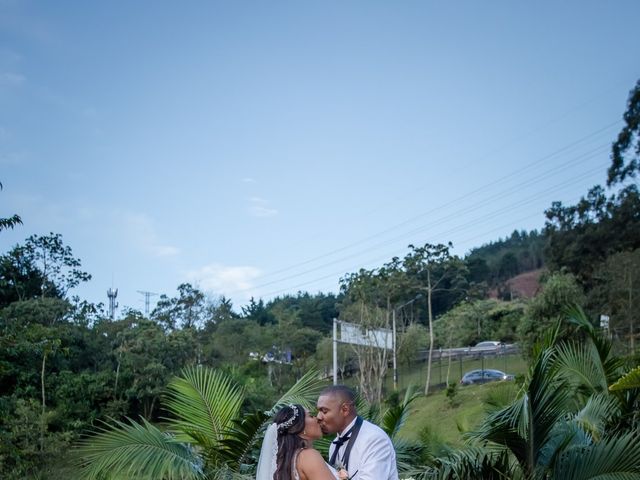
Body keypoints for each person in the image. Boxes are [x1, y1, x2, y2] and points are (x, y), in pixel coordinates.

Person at [316, 385, 398, 480]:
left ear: (345, 409)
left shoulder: (374, 439)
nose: (318, 417)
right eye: (319, 411)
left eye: (324, 411)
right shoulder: (334, 445)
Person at [256, 403, 350, 480]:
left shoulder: (287, 461)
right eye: (310, 416)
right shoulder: (308, 456)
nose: (317, 418)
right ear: (300, 427)